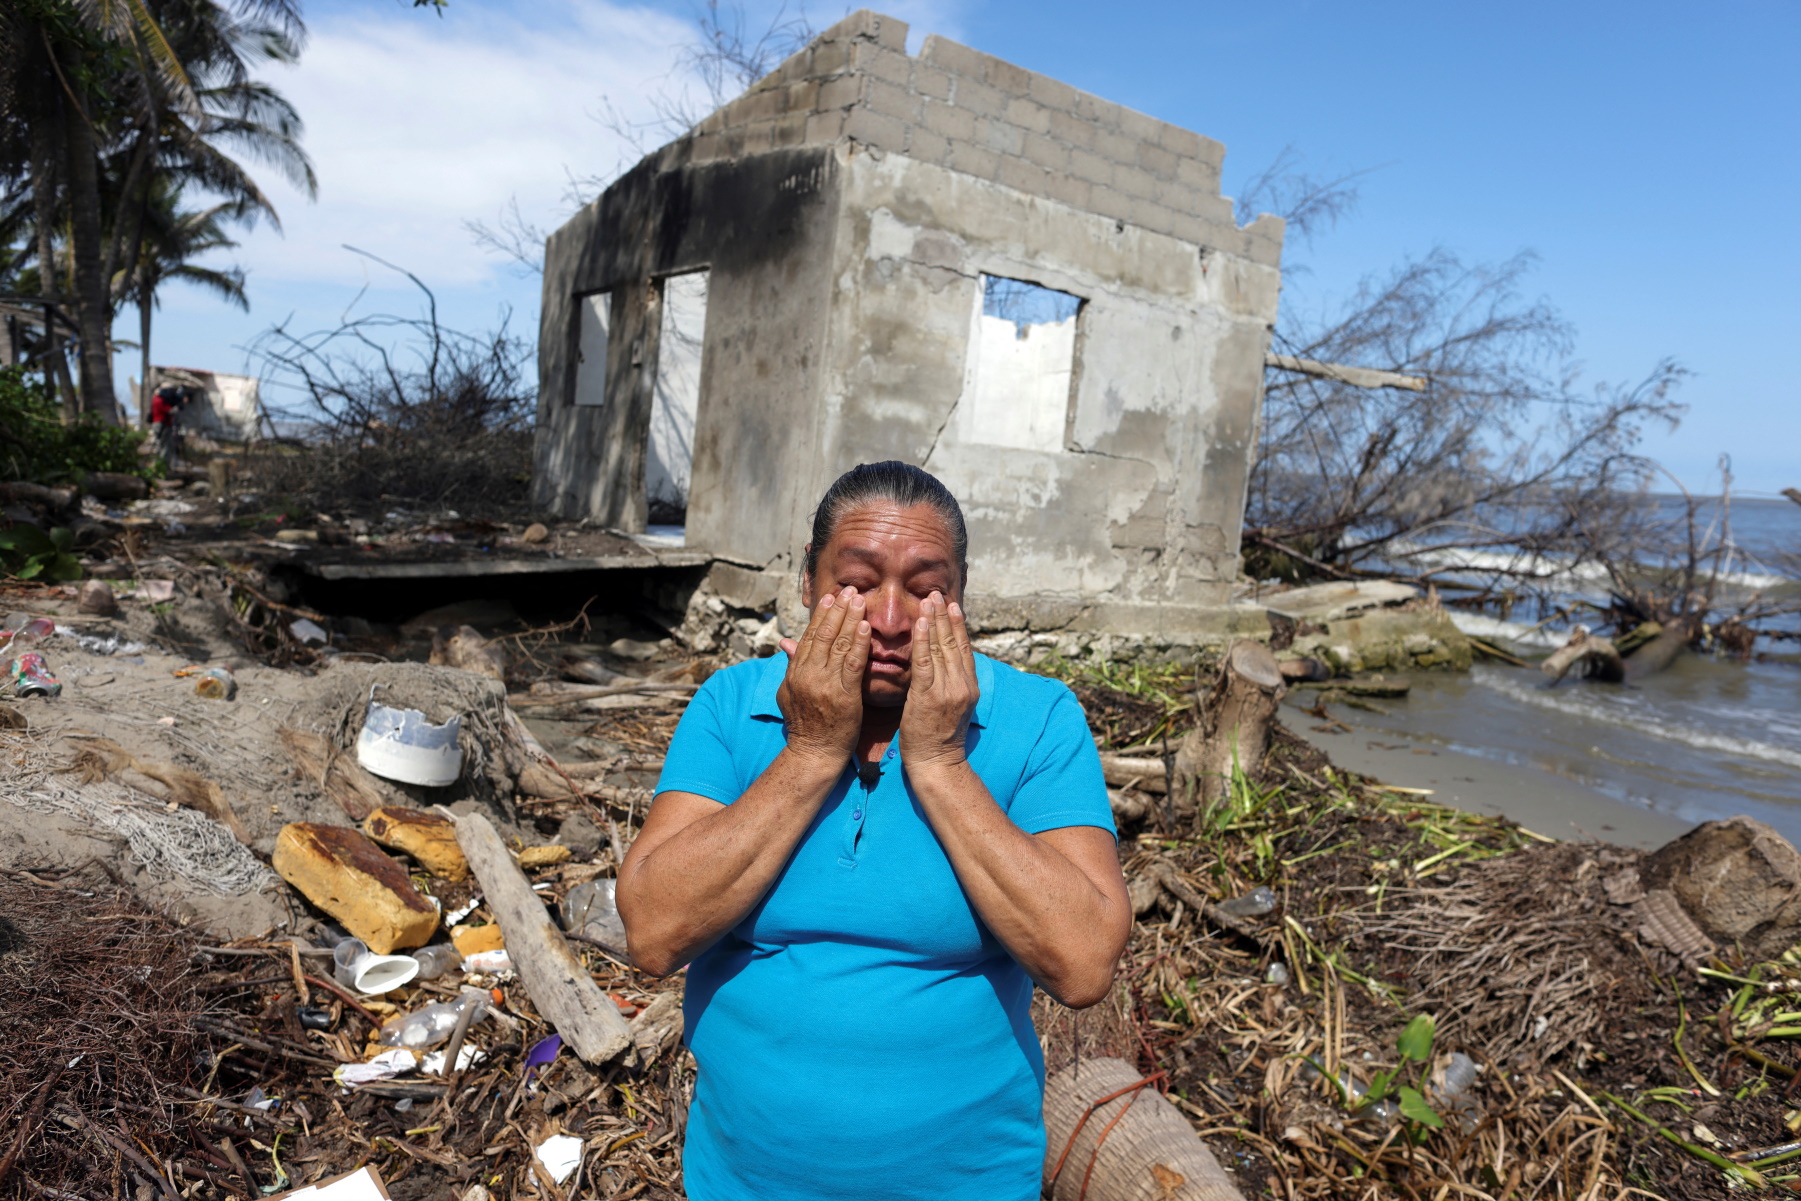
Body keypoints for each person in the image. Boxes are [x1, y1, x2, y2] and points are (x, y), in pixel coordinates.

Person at [617, 461, 1131, 1201]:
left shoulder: (1037, 718)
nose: (891, 620)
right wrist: (811, 751)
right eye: (856, 583)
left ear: (958, 596)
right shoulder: (733, 704)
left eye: (925, 590)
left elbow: (1082, 964)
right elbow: (653, 932)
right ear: (807, 581)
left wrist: (943, 763)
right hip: (740, 1181)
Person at [148, 383, 192, 468]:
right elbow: (170, 411)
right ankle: (161, 466)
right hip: (161, 424)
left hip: (164, 424)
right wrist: (178, 406)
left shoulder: (158, 399)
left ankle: (163, 465)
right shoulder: (159, 400)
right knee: (163, 446)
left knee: (165, 445)